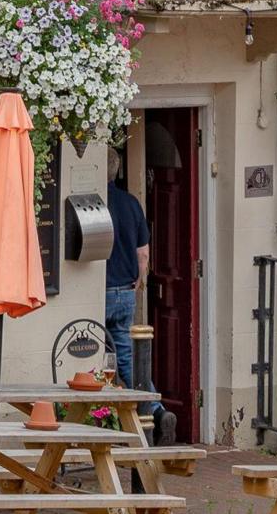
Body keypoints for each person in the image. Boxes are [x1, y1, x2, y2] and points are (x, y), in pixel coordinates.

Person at [104, 155, 161, 416]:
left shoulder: (94, 202)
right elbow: (144, 254)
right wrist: (139, 280)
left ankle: (105, 415)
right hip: (126, 289)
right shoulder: (131, 203)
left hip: (101, 290)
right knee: (126, 356)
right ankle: (156, 411)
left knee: (92, 353)